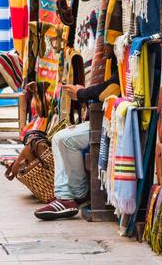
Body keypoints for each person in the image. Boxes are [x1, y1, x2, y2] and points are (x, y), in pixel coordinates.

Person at [34, 74, 116, 221]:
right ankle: (64, 196)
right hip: (102, 120)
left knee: (67, 140)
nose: (103, 50)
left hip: (110, 122)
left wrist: (81, 93)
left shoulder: (126, 59)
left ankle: (80, 194)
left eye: (106, 48)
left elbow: (111, 89)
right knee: (58, 137)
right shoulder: (116, 60)